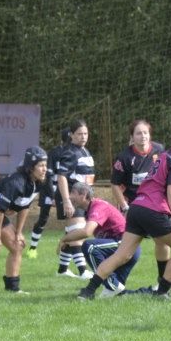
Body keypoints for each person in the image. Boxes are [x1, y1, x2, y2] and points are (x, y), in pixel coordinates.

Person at [79, 122, 171, 300]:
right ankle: (162, 292)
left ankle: (88, 291)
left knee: (122, 254)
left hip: (137, 208)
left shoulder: (164, 155)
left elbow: (158, 186)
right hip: (152, 211)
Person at [0, 146, 48, 296]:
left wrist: (18, 232)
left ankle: (13, 287)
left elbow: (25, 207)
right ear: (31, 167)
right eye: (41, 165)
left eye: (46, 165)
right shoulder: (16, 183)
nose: (45, 169)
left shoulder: (38, 182)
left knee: (17, 245)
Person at [110, 118, 171, 289]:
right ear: (132, 137)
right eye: (138, 133)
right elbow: (115, 184)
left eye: (145, 132)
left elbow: (167, 178)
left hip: (155, 207)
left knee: (162, 242)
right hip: (134, 209)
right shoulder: (124, 157)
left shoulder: (160, 151)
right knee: (127, 251)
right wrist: (124, 206)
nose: (143, 136)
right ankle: (114, 283)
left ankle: (163, 280)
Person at [63, 182, 138, 297]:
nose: (70, 196)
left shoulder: (98, 206)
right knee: (118, 293)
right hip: (125, 248)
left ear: (83, 195)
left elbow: (86, 232)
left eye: (73, 193)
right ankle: (152, 292)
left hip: (125, 245)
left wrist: (64, 239)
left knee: (90, 247)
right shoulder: (89, 210)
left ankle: (97, 288)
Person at [52, 119, 96, 278]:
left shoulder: (85, 151)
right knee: (79, 232)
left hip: (82, 198)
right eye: (79, 134)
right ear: (71, 135)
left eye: (85, 133)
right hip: (72, 196)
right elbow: (61, 177)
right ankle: (83, 270)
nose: (83, 137)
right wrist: (67, 200)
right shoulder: (70, 152)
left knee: (73, 232)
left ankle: (63, 270)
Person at [27, 128, 71, 258]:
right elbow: (48, 175)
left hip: (64, 190)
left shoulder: (73, 153)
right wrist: (53, 196)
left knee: (71, 219)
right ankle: (32, 249)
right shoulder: (54, 153)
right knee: (43, 218)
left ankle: (67, 248)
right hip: (49, 190)